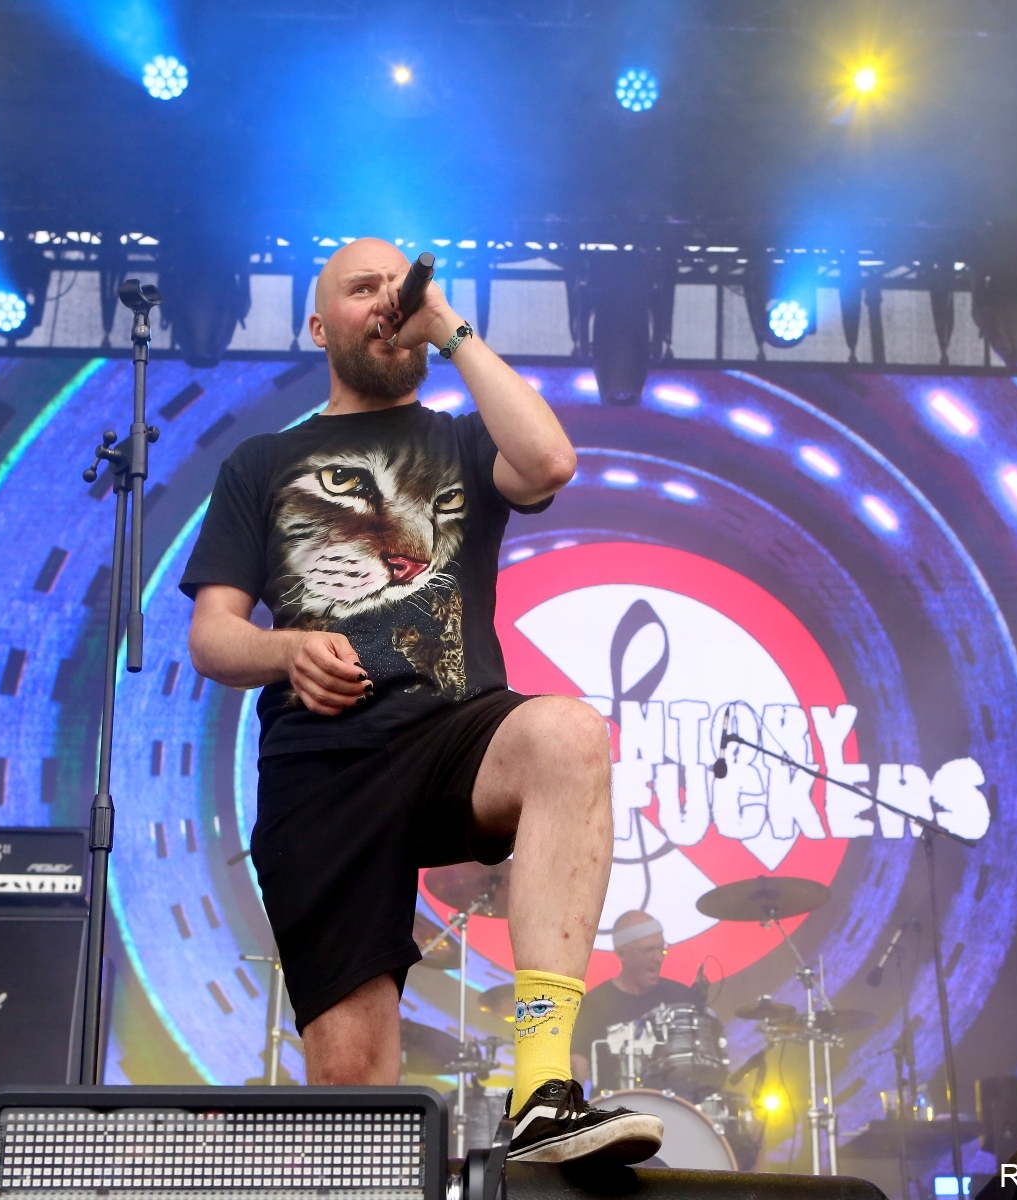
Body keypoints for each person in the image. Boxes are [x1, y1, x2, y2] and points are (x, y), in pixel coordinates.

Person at [181, 237, 661, 1163]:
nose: (387, 301)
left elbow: (550, 462)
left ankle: (543, 1088)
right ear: (318, 326)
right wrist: (287, 649)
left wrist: (449, 328)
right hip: (320, 765)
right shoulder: (261, 462)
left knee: (567, 733)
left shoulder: (461, 438)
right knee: (351, 1091)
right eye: (362, 289)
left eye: (399, 288)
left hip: (452, 731)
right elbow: (212, 637)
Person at [571, 911, 699, 1092]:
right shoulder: (593, 1005)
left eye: (661, 949)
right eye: (649, 950)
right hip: (613, 1108)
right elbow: (576, 1072)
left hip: (674, 1105)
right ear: (622, 953)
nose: (658, 957)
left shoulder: (682, 998)